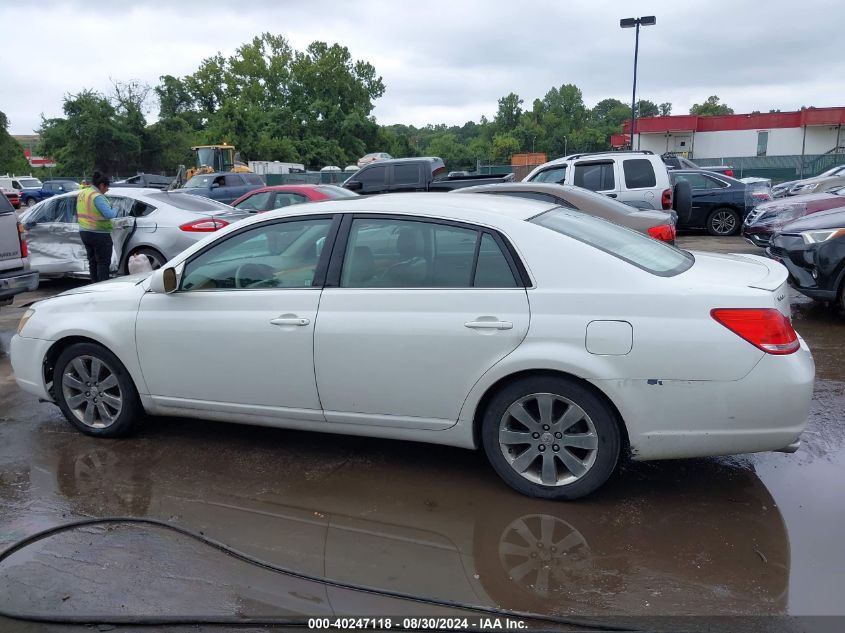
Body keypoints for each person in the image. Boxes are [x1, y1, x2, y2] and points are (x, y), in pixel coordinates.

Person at [77, 170, 118, 283]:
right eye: (106, 188)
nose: (107, 190)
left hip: (84, 232)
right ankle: (102, 287)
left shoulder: (83, 193)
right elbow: (110, 214)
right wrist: (116, 208)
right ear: (101, 185)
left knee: (92, 262)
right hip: (99, 234)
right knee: (103, 263)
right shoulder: (97, 197)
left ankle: (94, 286)